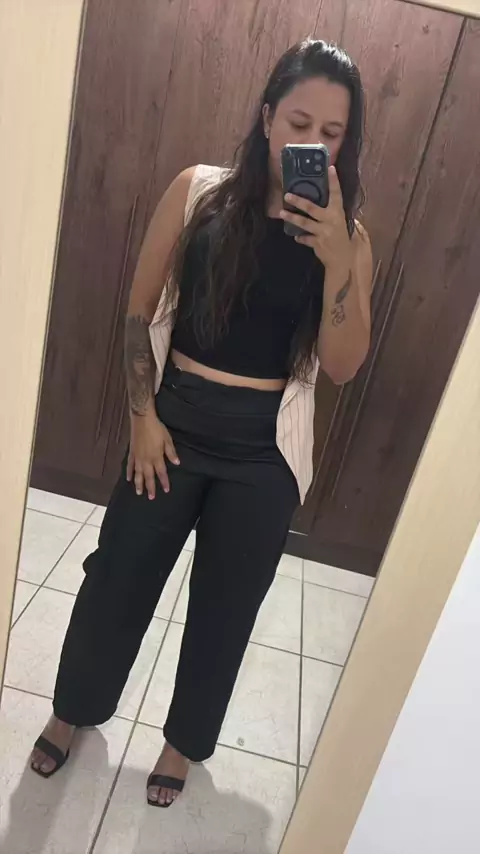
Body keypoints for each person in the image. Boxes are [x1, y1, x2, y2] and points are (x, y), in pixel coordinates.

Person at [30, 38, 372, 807]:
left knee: (225, 609)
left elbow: (344, 365)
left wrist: (338, 265)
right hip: (172, 423)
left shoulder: (349, 240)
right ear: (267, 117)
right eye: (299, 123)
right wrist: (141, 418)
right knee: (116, 579)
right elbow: (139, 310)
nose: (313, 144)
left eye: (332, 132)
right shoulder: (199, 192)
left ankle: (183, 744)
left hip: (264, 452)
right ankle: (71, 709)